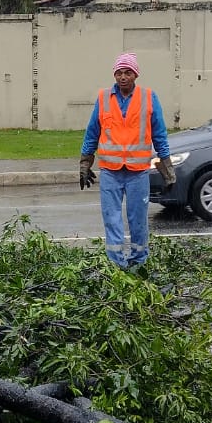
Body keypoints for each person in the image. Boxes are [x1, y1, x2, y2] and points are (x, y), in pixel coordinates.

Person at [78, 53, 175, 270]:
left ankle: (138, 262)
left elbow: (159, 134)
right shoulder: (103, 98)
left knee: (138, 220)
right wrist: (85, 162)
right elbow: (92, 132)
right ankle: (116, 265)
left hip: (137, 172)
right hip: (110, 171)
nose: (123, 77)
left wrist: (167, 168)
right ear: (114, 75)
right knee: (111, 219)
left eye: (128, 72)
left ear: (135, 75)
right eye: (119, 73)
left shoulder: (149, 97)